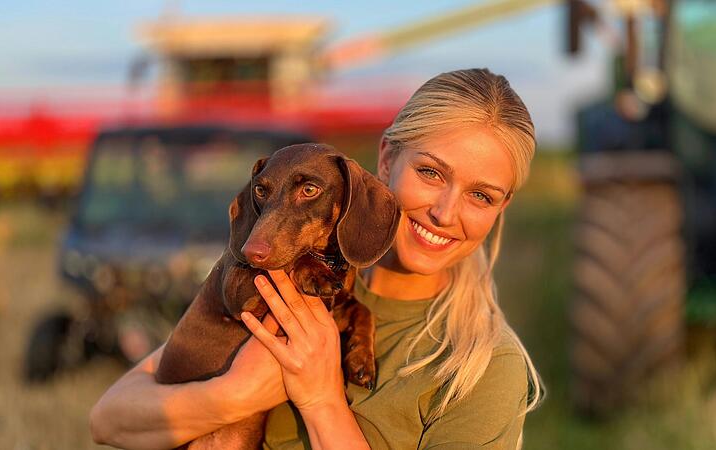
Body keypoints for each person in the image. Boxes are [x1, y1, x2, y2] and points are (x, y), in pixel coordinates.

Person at [90, 68, 545, 450]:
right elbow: (108, 418)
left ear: (501, 207)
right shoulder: (301, 279)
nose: (445, 213)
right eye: (430, 172)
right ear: (386, 161)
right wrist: (234, 395)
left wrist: (322, 400)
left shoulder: (484, 368)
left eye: (480, 196)